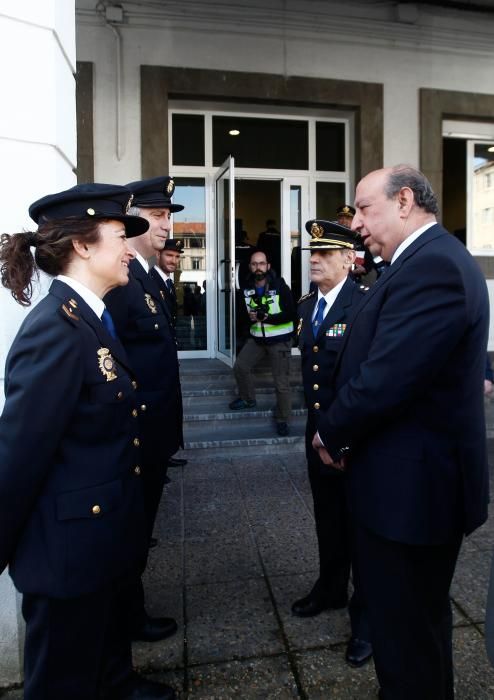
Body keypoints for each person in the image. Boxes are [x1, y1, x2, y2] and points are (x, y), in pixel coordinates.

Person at [312, 165, 489, 699]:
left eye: (365, 209)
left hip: (413, 497)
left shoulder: (431, 265)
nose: (358, 224)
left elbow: (388, 377)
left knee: (408, 639)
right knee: (414, 635)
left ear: (405, 201)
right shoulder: (414, 262)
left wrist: (330, 433)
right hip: (406, 488)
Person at [0, 183, 175, 699]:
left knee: (98, 655)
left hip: (97, 539)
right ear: (81, 245)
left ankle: (117, 682)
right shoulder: (54, 329)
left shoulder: (90, 319)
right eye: (120, 235)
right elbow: (19, 454)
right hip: (66, 555)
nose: (129, 248)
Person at [104, 175, 185, 644]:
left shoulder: (144, 277)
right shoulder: (123, 282)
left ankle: (129, 612)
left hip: (152, 436)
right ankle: (126, 618)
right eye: (157, 216)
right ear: (132, 221)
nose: (166, 225)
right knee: (130, 535)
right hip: (136, 436)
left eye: (169, 215)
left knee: (139, 532)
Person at [292, 219, 372, 667]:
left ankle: (367, 617)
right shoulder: (306, 307)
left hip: (351, 434)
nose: (315, 260)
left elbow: (363, 378)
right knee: (327, 515)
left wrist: (342, 434)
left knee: (360, 526)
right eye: (312, 254)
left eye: (325, 253)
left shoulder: (364, 305)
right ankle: (330, 587)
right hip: (316, 431)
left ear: (349, 259)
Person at [229, 249, 295, 437]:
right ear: (250, 267)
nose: (258, 267)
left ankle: (283, 419)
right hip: (257, 338)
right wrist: (250, 317)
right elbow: (244, 316)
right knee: (240, 367)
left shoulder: (280, 285)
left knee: (281, 383)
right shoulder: (247, 288)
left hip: (280, 340)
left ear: (268, 266)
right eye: (254, 264)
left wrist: (268, 318)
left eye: (262, 263)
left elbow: (291, 313)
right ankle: (248, 399)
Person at [151, 237, 184, 339]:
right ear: (158, 255)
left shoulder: (169, 283)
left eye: (177, 256)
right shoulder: (150, 280)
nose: (174, 261)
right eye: (169, 255)